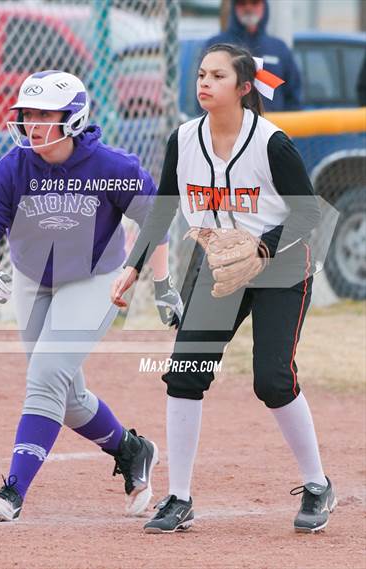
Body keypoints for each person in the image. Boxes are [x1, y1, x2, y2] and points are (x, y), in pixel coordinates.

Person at [112, 44, 337, 534]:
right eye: (201, 73)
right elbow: (165, 208)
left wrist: (262, 248)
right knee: (185, 375)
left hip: (280, 266)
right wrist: (133, 266)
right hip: (217, 265)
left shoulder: (271, 143)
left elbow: (309, 214)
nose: (205, 82)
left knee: (273, 381)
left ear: (243, 88)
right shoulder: (184, 138)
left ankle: (317, 483)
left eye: (218, 75)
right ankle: (179, 496)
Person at [0, 70, 183, 522]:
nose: (33, 124)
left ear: (74, 119)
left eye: (46, 114)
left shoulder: (111, 167)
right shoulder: (12, 168)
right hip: (31, 279)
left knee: (45, 373)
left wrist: (161, 285)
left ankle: (12, 491)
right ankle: (131, 449)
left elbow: (155, 221)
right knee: (63, 395)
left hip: (93, 279)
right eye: (27, 114)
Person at [204, 0, 301, 112]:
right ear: (234, 8)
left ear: (264, 7)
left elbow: (293, 96)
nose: (248, 8)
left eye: (254, 3)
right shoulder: (217, 45)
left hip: (272, 124)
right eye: (242, 4)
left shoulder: (279, 48)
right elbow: (205, 89)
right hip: (229, 126)